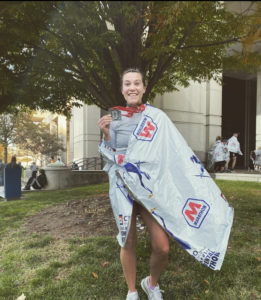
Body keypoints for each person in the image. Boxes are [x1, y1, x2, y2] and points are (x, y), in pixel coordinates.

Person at [98, 68, 234, 299]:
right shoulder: (114, 116)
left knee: (162, 247)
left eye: (136, 83)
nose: (132, 88)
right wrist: (107, 135)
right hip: (124, 186)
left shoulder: (156, 116)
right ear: (122, 89)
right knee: (128, 239)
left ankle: (151, 284)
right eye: (127, 84)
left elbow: (172, 150)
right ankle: (132, 291)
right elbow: (109, 156)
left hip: (151, 188)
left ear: (143, 87)